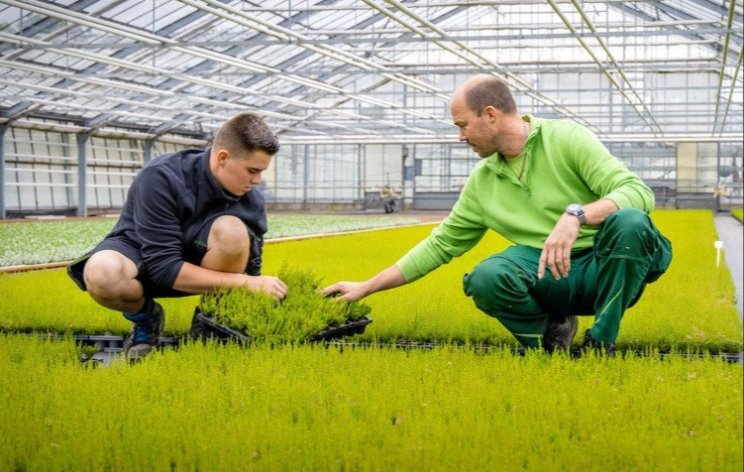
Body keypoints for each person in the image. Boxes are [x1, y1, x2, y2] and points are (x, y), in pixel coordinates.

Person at [322, 75, 672, 354]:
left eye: (462, 125)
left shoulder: (566, 139)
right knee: (487, 276)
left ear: (490, 115)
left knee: (630, 221)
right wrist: (366, 287)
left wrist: (577, 214)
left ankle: (602, 341)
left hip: (607, 266)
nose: (460, 137)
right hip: (553, 274)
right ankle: (548, 344)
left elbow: (638, 193)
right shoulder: (483, 181)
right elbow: (439, 245)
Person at [67, 112, 288, 361]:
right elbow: (162, 267)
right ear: (223, 158)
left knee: (233, 231)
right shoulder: (162, 176)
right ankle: (146, 319)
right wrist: (246, 284)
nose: (257, 181)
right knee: (102, 272)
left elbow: (253, 266)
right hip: (143, 257)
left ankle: (212, 326)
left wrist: (257, 294)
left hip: (201, 267)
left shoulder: (252, 199)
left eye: (261, 172)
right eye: (252, 170)